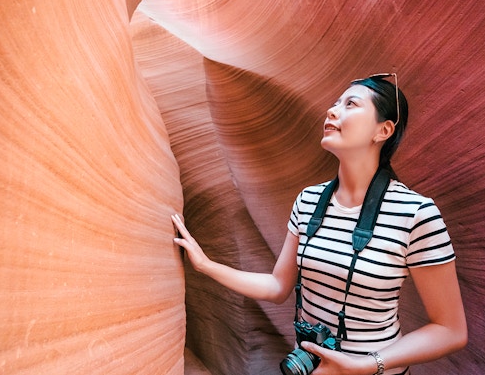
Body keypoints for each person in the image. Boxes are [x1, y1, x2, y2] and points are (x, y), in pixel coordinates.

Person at [171, 73, 467, 374]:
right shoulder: (309, 200)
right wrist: (206, 265)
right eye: (335, 102)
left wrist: (365, 365)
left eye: (350, 104)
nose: (332, 110)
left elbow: (450, 329)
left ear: (384, 130)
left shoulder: (416, 213)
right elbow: (277, 286)